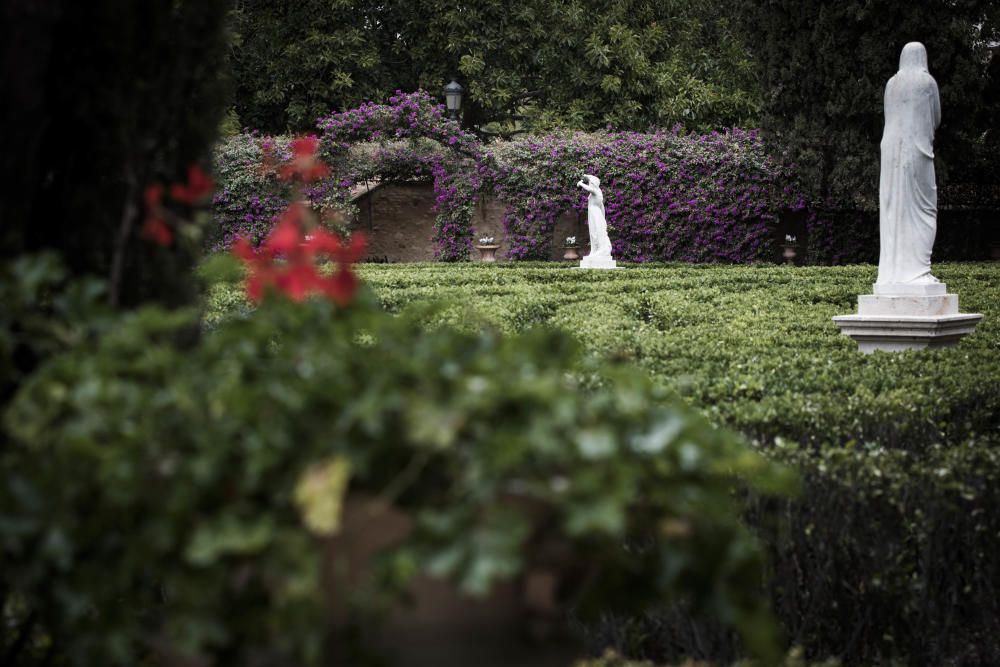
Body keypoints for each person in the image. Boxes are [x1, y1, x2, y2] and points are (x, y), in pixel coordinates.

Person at [877, 42, 941, 285]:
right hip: (917, 151)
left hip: (890, 152)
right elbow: (936, 118)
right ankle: (918, 272)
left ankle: (893, 273)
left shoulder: (891, 84)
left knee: (894, 210)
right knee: (925, 210)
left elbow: (888, 116)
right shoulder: (927, 82)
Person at [577, 174, 612, 259]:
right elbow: (602, 207)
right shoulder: (598, 191)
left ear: (593, 184)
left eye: (590, 183)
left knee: (597, 231)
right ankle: (594, 250)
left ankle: (601, 250)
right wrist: (586, 176)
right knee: (593, 232)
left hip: (595, 214)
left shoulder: (595, 191)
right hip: (596, 214)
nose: (589, 184)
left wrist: (580, 184)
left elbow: (589, 189)